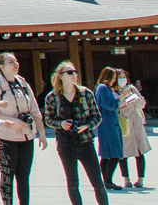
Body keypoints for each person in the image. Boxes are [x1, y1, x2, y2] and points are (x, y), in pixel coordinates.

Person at [0, 52, 46, 205]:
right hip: (6, 138)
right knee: (7, 176)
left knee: (24, 177)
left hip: (26, 137)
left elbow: (35, 110)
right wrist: (11, 120)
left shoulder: (23, 84)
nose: (16, 64)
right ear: (2, 67)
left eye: (16, 61)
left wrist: (42, 134)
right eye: (11, 62)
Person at [42, 62, 108, 205]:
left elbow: (97, 117)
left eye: (75, 72)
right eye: (70, 72)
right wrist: (61, 124)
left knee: (98, 182)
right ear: (60, 76)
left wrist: (86, 126)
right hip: (66, 144)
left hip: (85, 142)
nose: (74, 75)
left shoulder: (85, 93)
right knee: (72, 183)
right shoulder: (52, 97)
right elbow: (48, 119)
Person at [92, 68, 124, 191]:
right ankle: (108, 180)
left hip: (110, 123)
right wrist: (119, 99)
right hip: (108, 124)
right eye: (113, 78)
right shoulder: (103, 88)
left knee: (106, 155)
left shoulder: (106, 88)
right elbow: (108, 105)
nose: (114, 80)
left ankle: (106, 181)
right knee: (114, 154)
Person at [115, 69, 149, 189]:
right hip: (123, 122)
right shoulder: (113, 91)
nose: (122, 79)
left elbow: (141, 104)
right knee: (123, 153)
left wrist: (135, 98)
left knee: (139, 151)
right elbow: (114, 106)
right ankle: (126, 179)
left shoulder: (132, 88)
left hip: (136, 122)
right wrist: (123, 99)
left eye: (124, 76)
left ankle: (140, 179)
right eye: (120, 77)